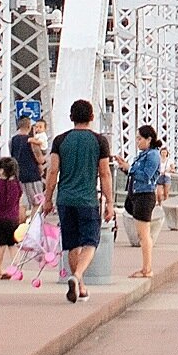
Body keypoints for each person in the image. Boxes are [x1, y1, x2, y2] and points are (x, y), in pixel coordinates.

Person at [43, 99, 115, 303]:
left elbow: (53, 171)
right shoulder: (99, 141)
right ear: (92, 117)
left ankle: (80, 287)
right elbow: (104, 173)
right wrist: (110, 203)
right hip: (88, 200)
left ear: (71, 117)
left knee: (71, 243)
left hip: (65, 199)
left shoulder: (60, 140)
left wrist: (48, 199)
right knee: (91, 242)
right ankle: (77, 276)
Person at [120, 123, 168, 280]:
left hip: (145, 195)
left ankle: (147, 269)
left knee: (144, 234)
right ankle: (146, 268)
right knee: (143, 234)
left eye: (139, 138)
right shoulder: (143, 154)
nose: (137, 142)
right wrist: (125, 167)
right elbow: (135, 174)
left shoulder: (153, 155)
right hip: (137, 194)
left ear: (149, 139)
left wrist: (130, 168)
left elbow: (146, 175)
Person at [10, 114, 46, 208]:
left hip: (18, 175)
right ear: (29, 126)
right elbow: (40, 159)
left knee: (21, 204)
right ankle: (34, 222)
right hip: (32, 176)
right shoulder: (32, 141)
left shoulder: (13, 140)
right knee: (37, 204)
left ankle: (19, 222)